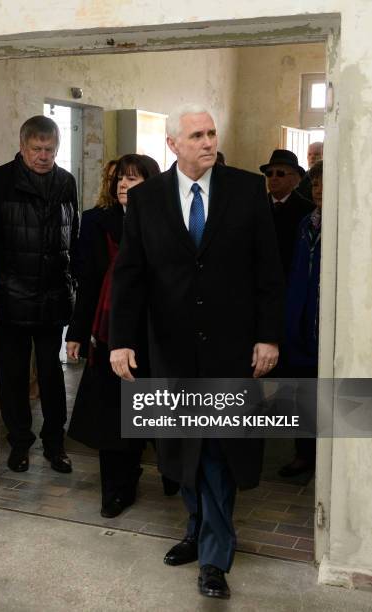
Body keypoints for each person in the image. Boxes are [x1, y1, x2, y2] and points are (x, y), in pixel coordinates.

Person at [109, 104, 284, 600]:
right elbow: (130, 276)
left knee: (215, 450)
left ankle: (213, 557)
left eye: (211, 133)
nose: (208, 142)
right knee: (182, 448)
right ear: (173, 145)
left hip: (232, 350)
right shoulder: (146, 200)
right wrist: (121, 341)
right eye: (196, 135)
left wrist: (269, 336)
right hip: (171, 351)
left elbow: (269, 272)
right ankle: (197, 527)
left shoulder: (247, 190)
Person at [66, 154, 161, 518]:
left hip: (151, 335)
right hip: (107, 334)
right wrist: (76, 331)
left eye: (133, 179)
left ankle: (142, 472)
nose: (123, 184)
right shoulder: (97, 222)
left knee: (144, 412)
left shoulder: (165, 223)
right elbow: (88, 283)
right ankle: (114, 491)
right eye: (120, 178)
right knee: (111, 415)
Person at [0, 115, 79, 474]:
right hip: (11, 295)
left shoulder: (66, 182)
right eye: (37, 149)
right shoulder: (0, 180)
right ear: (23, 146)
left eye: (50, 149)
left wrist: (70, 282)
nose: (44, 156)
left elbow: (72, 234)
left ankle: (55, 443)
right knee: (12, 374)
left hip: (52, 294)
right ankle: (20, 442)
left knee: (51, 375)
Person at [278, 159, 323, 477]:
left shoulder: (350, 224)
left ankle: (329, 458)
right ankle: (304, 452)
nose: (319, 190)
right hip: (301, 316)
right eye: (316, 184)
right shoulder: (306, 223)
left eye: (325, 184)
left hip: (327, 318)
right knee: (303, 389)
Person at [260, 149, 314, 282]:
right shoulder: (256, 206)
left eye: (280, 173)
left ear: (295, 179)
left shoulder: (308, 210)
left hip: (293, 281)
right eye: (269, 173)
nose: (273, 177)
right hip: (262, 283)